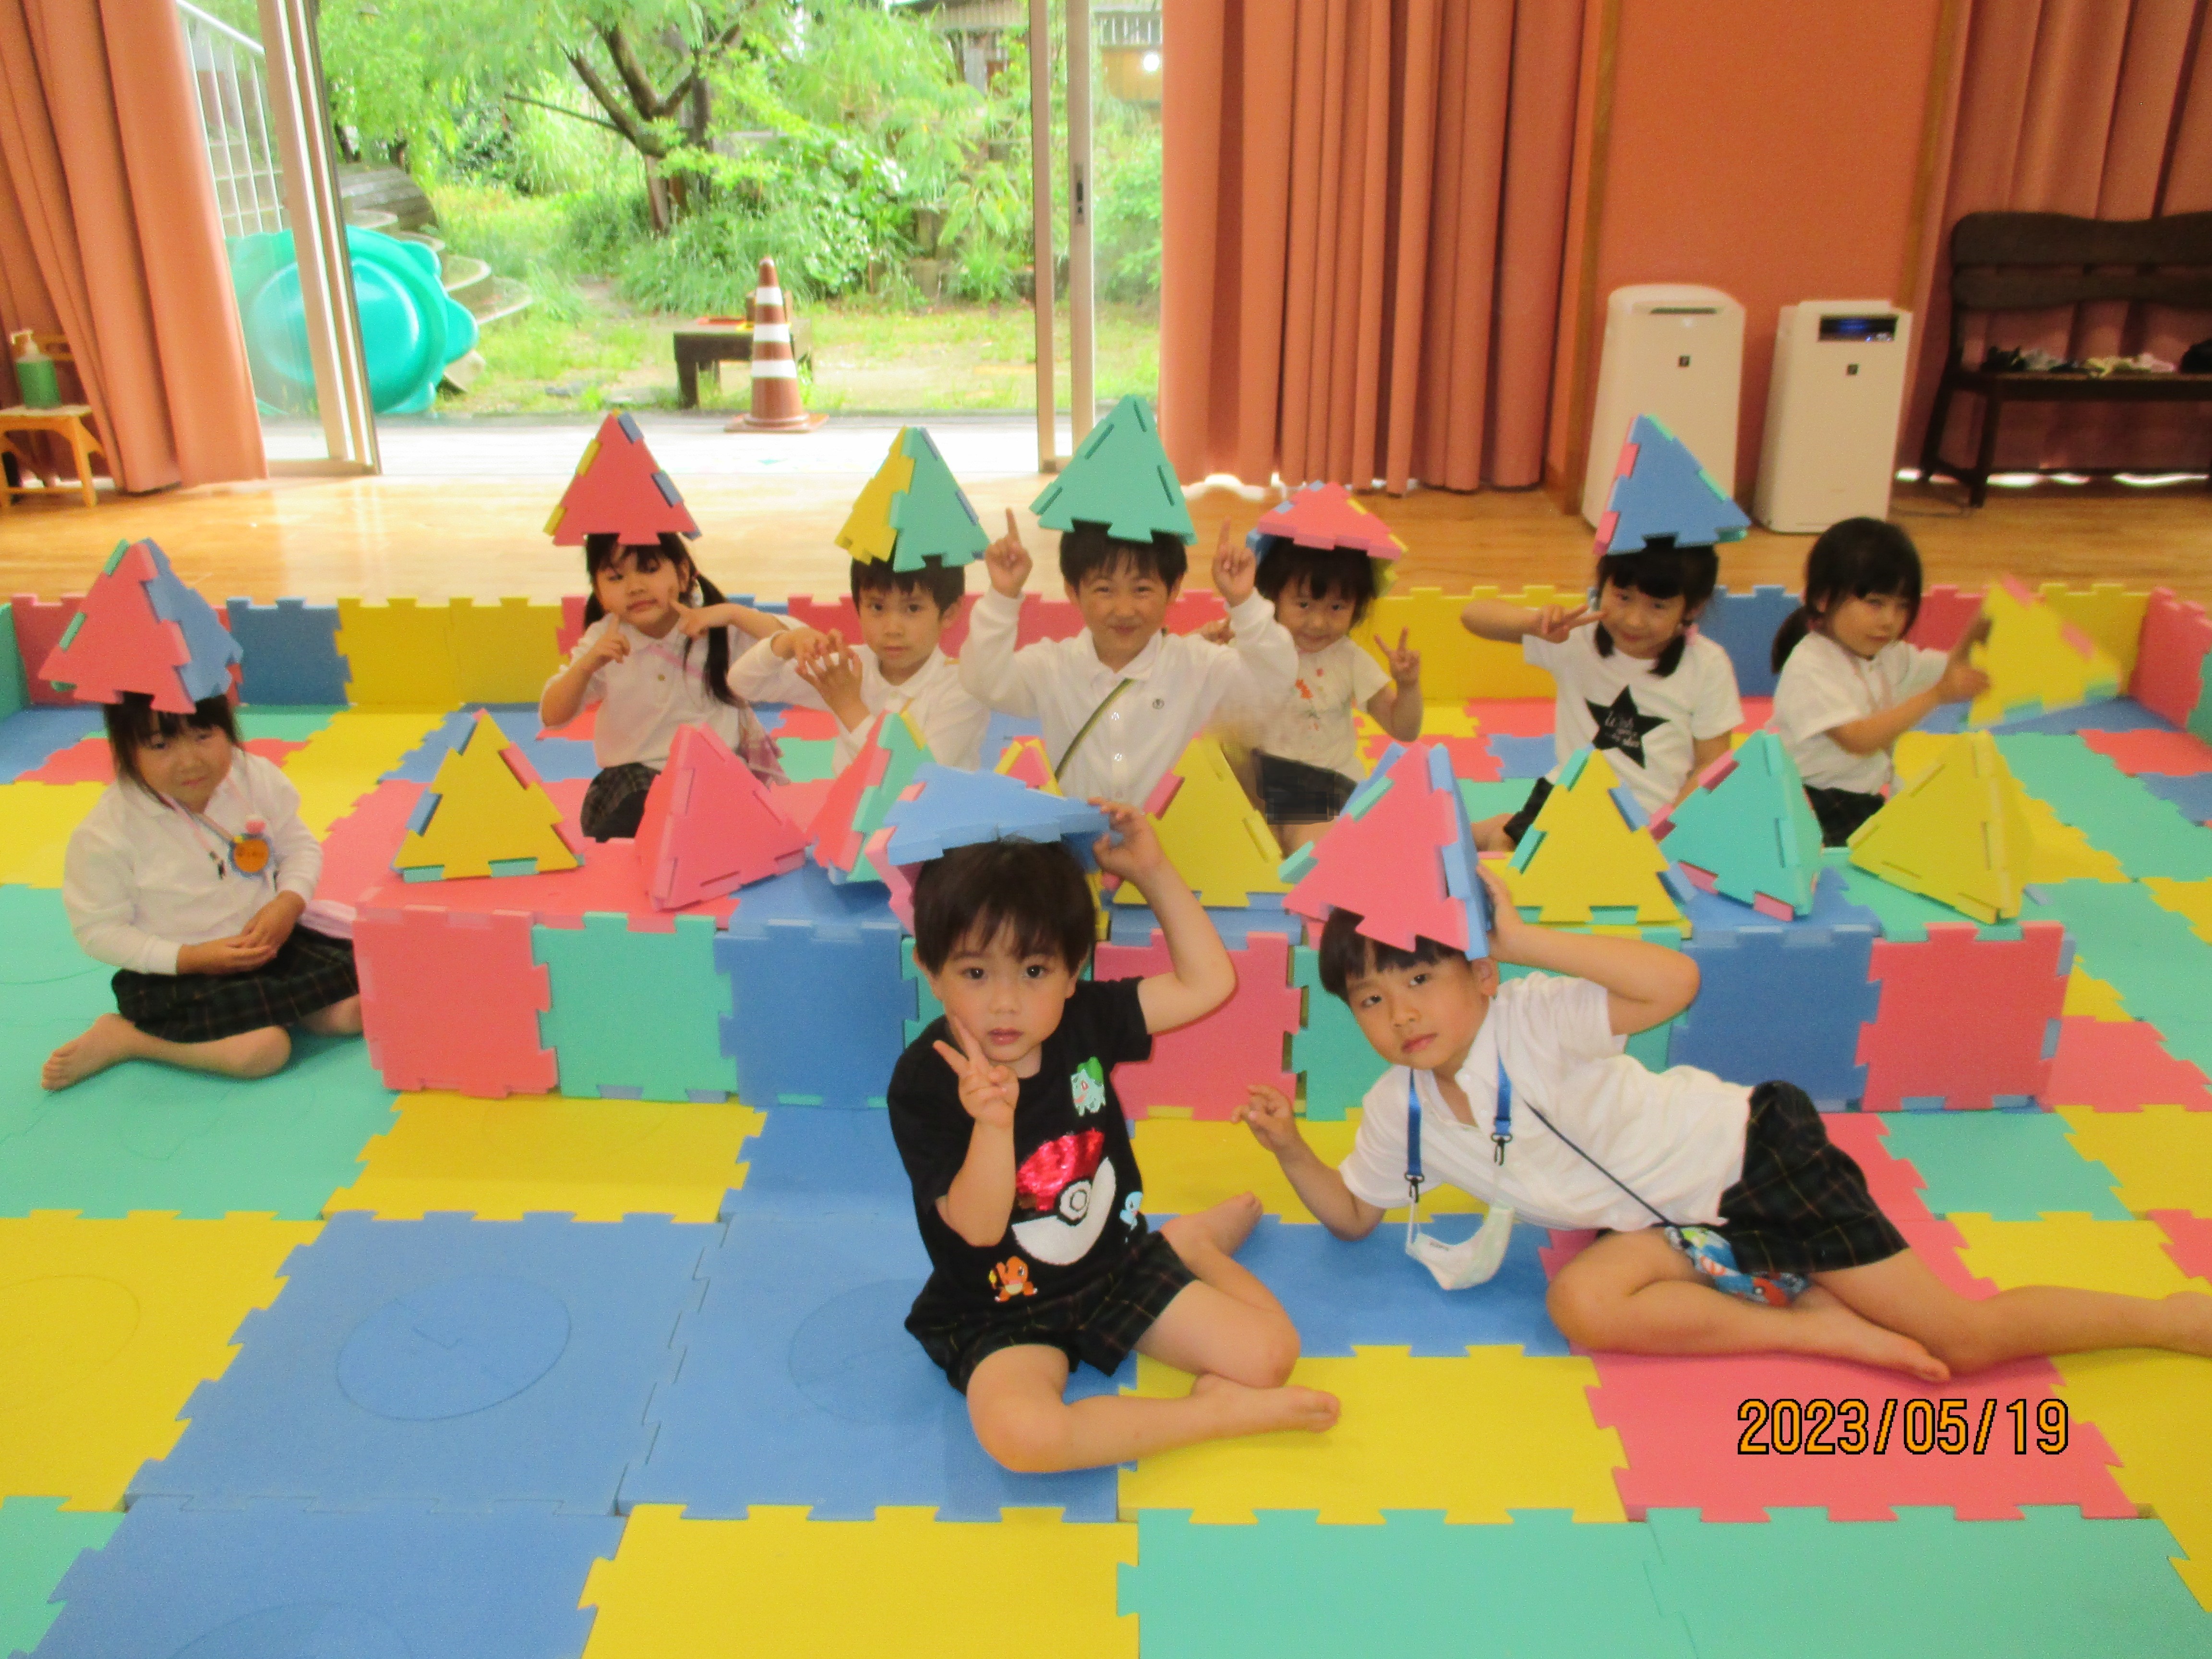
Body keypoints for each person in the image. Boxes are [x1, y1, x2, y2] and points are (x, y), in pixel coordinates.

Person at [1238, 871, 2212, 1381]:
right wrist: (1289, 1149)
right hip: (1666, 1225)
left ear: (1481, 975)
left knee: (1960, 1341)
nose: (1401, 1011)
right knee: (1581, 1307)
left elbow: (1674, 984)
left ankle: (2173, 1318)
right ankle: (1818, 1331)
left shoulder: (1529, 1015)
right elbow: (1353, 1217)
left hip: (1752, 1163)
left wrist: (1524, 938)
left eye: (1420, 977)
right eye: (1371, 999)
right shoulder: (1398, 1110)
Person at [889, 827, 1339, 1473]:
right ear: (932, 973)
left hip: (1115, 1270)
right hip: (998, 1307)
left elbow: (1208, 982)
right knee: (1023, 1438)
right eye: (976, 972)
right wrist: (991, 1125)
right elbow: (980, 1229)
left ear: (1074, 971)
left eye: (1035, 971)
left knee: (1271, 1356)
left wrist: (1153, 872)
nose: (1006, 1002)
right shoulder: (926, 1079)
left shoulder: (1086, 1019)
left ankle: (1191, 1245)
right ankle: (1212, 1416)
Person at [43, 692, 361, 1091]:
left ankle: (292, 1008)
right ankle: (129, 1038)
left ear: (228, 731)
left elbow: (299, 847)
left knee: (358, 1006)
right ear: (126, 751)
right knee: (262, 1052)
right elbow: (97, 930)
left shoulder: (252, 778)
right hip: (180, 974)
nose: (190, 761)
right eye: (161, 745)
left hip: (273, 944)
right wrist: (190, 958)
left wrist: (288, 902)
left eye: (203, 736)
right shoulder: (107, 833)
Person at [958, 511, 1298, 806]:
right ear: (1073, 591)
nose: (1124, 610)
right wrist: (1002, 597)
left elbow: (1272, 682)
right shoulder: (1052, 667)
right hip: (1081, 842)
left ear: (1173, 590)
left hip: (1163, 845)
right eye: (1104, 589)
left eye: (1142, 590)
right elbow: (984, 681)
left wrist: (1243, 602)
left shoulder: (1194, 664)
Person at [1460, 544, 1741, 849]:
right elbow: (1473, 615)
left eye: (1658, 606)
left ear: (1693, 608)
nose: (1634, 621)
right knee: (1512, 857)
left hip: (1652, 819)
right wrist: (1532, 623)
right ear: (1602, 585)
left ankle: (1498, 829)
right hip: (1567, 799)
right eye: (1623, 598)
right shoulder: (1575, 637)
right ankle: (1496, 832)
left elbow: (1712, 763)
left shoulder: (1707, 665)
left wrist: (1669, 826)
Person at [539, 531, 794, 840]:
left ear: (684, 573)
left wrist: (732, 614)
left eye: (649, 570)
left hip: (713, 777)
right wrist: (586, 666)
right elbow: (552, 716)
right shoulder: (603, 639)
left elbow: (790, 643)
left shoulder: (716, 626)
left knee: (735, 832)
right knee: (643, 813)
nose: (635, 587)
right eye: (616, 577)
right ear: (599, 591)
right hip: (634, 780)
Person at [1770, 517, 1991, 845]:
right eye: (1875, 603)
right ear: (1824, 598)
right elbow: (1858, 739)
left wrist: (1980, 627)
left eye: (1902, 606)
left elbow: (1950, 671)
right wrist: (1936, 695)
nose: (1889, 620)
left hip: (1863, 796)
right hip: (1813, 804)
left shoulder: (1889, 655)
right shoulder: (1811, 665)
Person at [1222, 537, 1423, 849]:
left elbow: (1404, 729)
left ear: (1356, 608)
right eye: (1303, 605)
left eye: (1337, 607)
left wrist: (1408, 687)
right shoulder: (1255, 649)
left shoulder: (1349, 658)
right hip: (1268, 790)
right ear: (1273, 597)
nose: (1318, 622)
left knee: (1406, 827)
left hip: (1336, 788)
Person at [729, 554, 989, 772]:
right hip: (852, 812)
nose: (892, 629)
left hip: (932, 816)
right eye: (877, 607)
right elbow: (742, 685)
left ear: (949, 613)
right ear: (858, 608)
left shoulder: (964, 686)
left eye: (912, 609)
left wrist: (849, 706)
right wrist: (786, 642)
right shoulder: (848, 670)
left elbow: (916, 779)